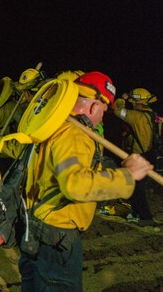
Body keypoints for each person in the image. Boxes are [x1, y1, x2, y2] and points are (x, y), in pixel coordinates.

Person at [18, 71, 153, 291]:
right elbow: (75, 185)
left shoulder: (53, 125)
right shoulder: (74, 134)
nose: (102, 117)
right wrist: (127, 175)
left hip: (35, 225)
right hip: (57, 236)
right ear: (93, 107)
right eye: (104, 110)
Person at [113, 87, 160, 226]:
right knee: (133, 186)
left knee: (136, 188)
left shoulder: (134, 116)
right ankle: (136, 213)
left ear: (136, 102)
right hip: (150, 155)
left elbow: (116, 109)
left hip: (137, 156)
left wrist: (123, 99)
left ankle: (146, 217)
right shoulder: (156, 117)